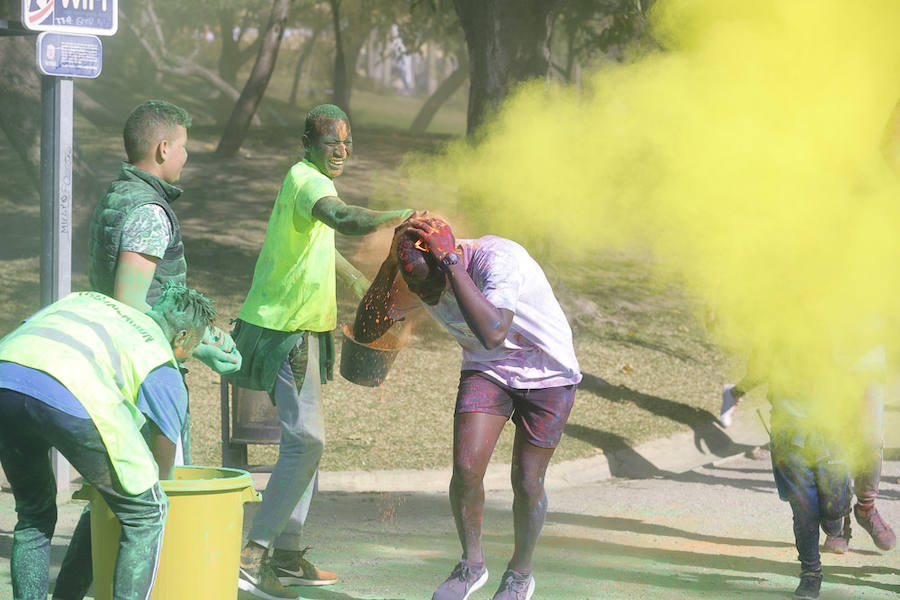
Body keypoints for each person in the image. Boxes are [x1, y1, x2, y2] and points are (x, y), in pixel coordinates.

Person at [231, 103, 412, 600]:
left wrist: (355, 279)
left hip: (305, 330)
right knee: (306, 441)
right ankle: (253, 557)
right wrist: (400, 216)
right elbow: (343, 218)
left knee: (308, 445)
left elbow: (320, 238)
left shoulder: (304, 183)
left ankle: (286, 555)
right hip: (282, 330)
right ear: (308, 145)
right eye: (332, 143)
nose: (342, 151)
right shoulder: (310, 181)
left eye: (347, 143)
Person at [353, 216, 581, 600]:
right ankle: (471, 564)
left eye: (431, 289)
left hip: (547, 371)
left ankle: (519, 575)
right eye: (418, 291)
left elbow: (494, 333)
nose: (429, 299)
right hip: (487, 369)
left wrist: (452, 267)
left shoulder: (498, 259)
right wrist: (391, 264)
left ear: (451, 256)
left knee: (527, 481)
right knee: (466, 469)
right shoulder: (419, 276)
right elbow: (364, 331)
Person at [0, 285, 215, 600]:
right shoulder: (159, 357)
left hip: (7, 375)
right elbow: (162, 473)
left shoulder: (88, 299)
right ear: (181, 337)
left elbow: (31, 335)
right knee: (147, 513)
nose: (186, 356)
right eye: (191, 350)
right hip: (70, 393)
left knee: (34, 514)